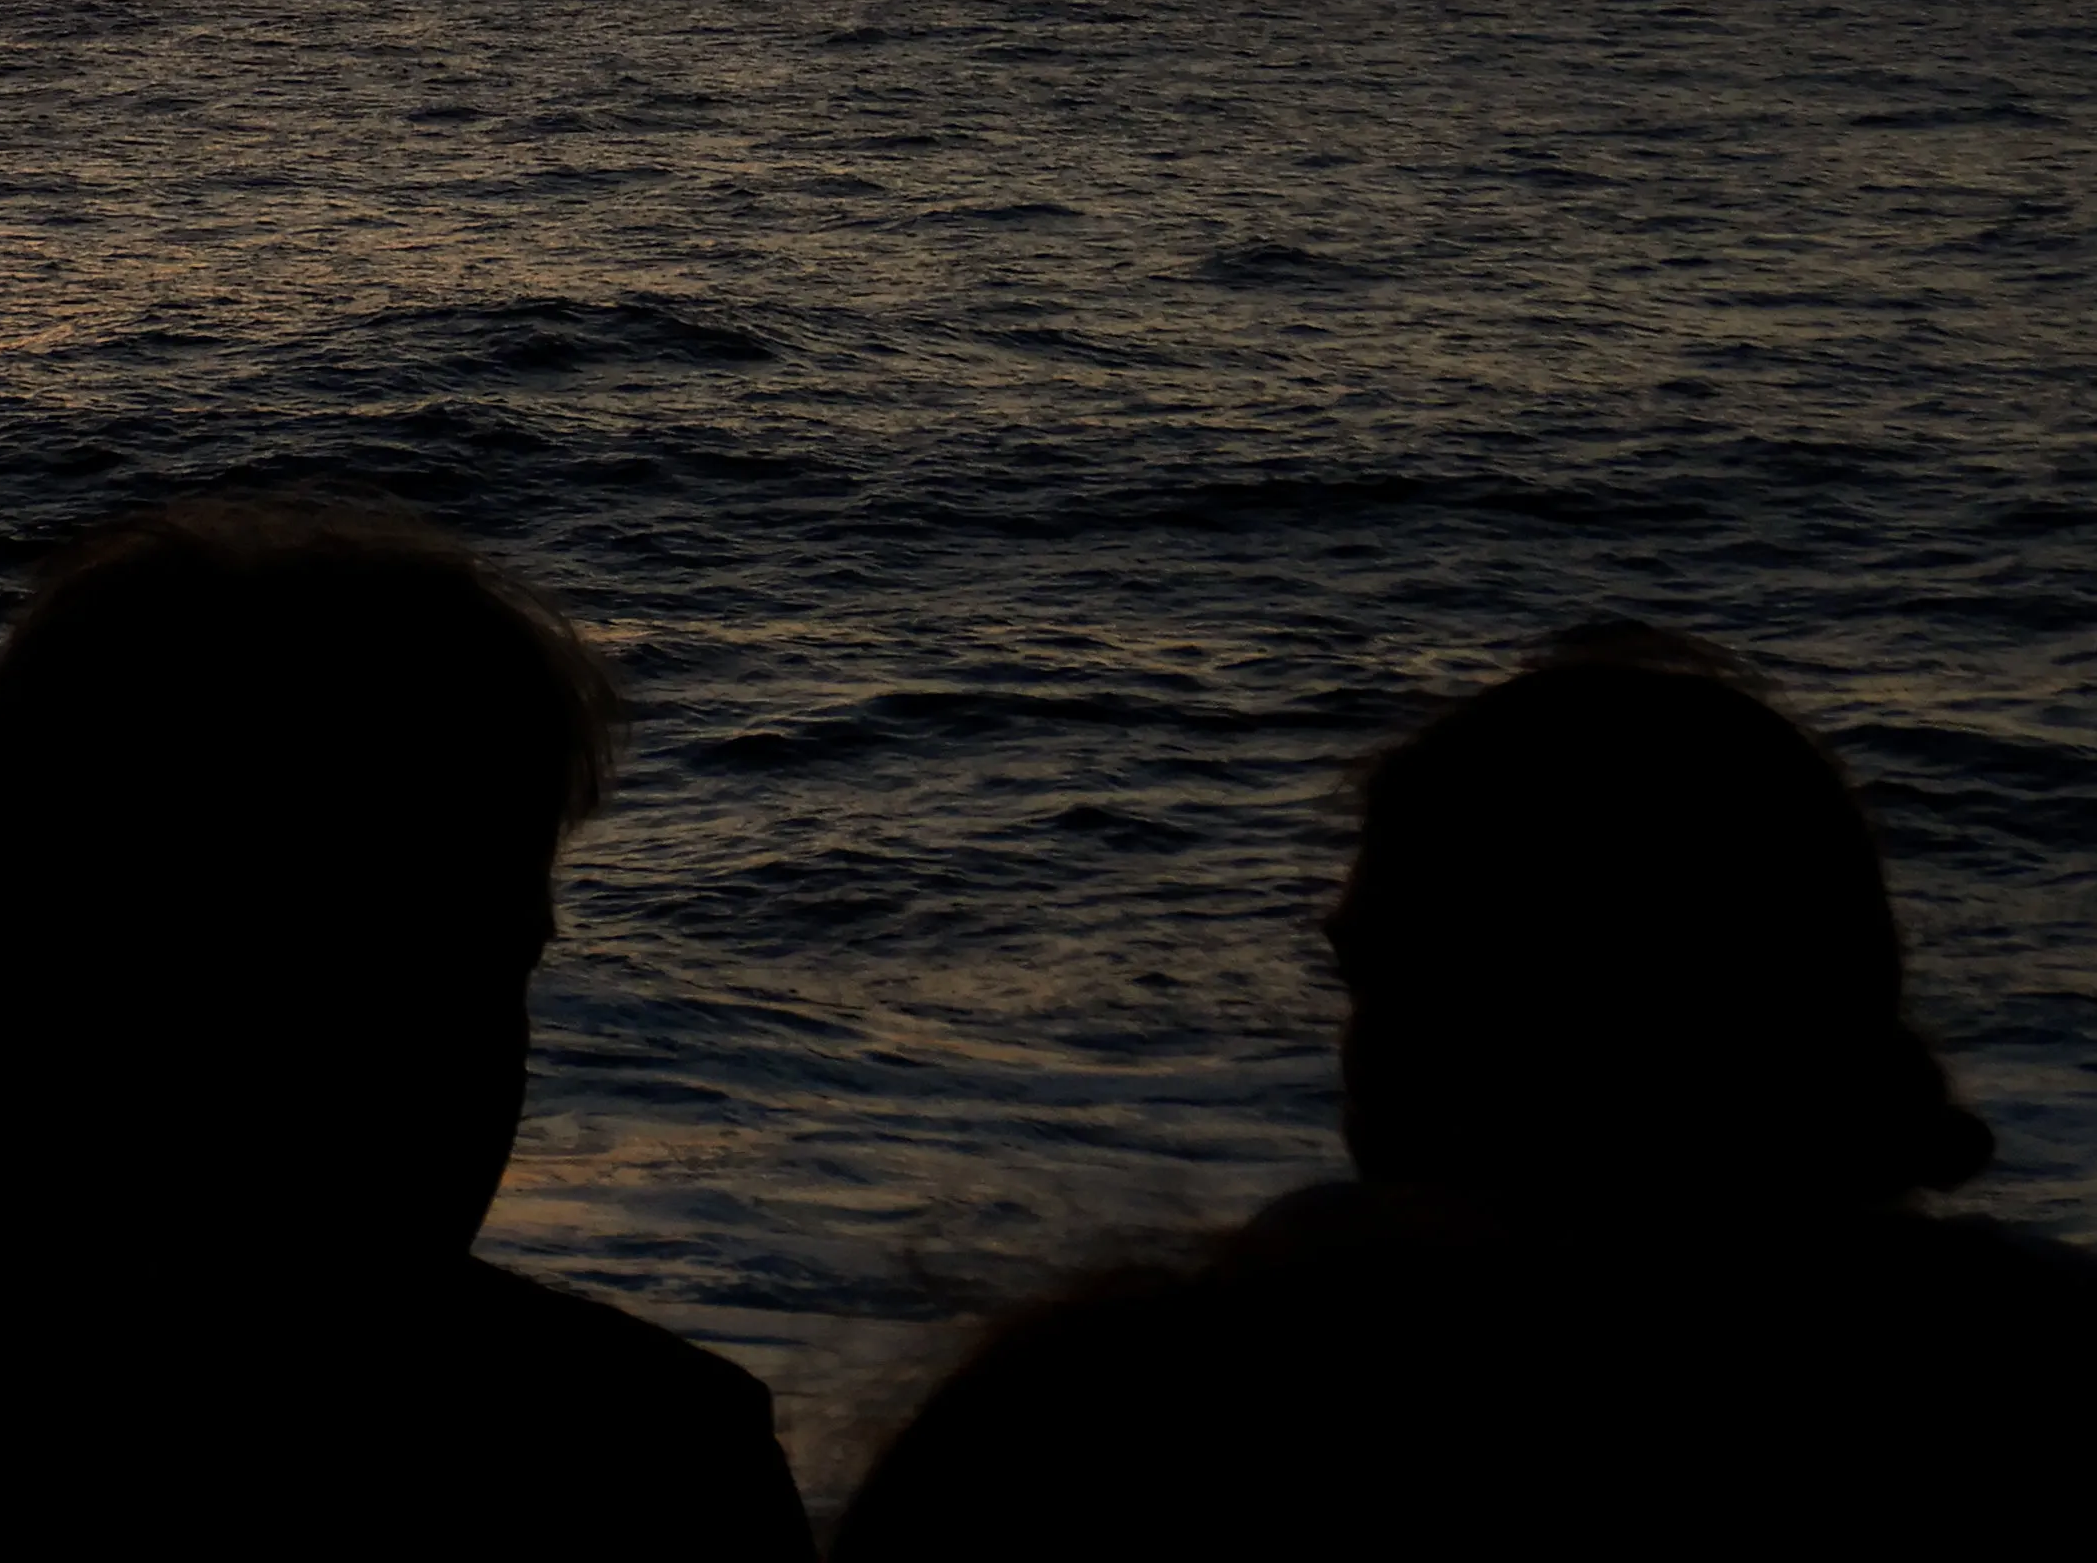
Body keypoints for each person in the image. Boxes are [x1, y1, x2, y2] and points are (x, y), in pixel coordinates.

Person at [0, 502, 814, 1559]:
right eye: (347, 984)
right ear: (113, 984)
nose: (460, 1069)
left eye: (489, 974)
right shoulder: (633, 1473)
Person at [830, 627, 2097, 1556]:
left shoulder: (1132, 1439)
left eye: (1432, 986)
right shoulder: (2025, 1383)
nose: (1371, 1065)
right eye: (1363, 983)